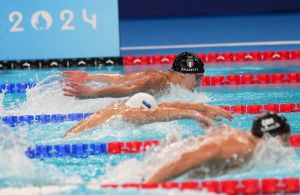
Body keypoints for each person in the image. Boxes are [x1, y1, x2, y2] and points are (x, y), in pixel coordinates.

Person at [144, 112, 291, 183]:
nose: (287, 145)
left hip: (163, 166)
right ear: (275, 136)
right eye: (286, 139)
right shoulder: (243, 147)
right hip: (159, 173)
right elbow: (189, 157)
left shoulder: (246, 140)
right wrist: (148, 187)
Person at [63, 93, 233, 137]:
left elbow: (163, 106)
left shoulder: (121, 108)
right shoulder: (129, 113)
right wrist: (192, 114)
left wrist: (201, 107)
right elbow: (154, 113)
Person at [61, 52, 205, 98]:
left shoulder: (164, 81)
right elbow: (128, 88)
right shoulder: (157, 80)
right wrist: (94, 92)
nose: (198, 83)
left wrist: (90, 77)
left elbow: (122, 79)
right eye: (197, 77)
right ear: (182, 74)